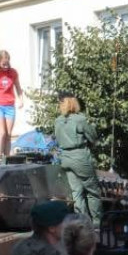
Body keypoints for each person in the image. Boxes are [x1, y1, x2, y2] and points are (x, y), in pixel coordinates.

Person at [55, 91, 102, 223]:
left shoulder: (58, 121)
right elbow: (93, 137)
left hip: (65, 157)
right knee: (93, 191)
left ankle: (82, 222)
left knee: (77, 193)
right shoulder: (80, 119)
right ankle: (97, 222)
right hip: (80, 157)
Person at [0, 50, 24, 163]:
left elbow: (18, 87)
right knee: (1, 132)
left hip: (10, 106)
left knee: (8, 134)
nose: (6, 66)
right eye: (3, 64)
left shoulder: (13, 73)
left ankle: (7, 157)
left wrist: (21, 100)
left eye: (7, 63)